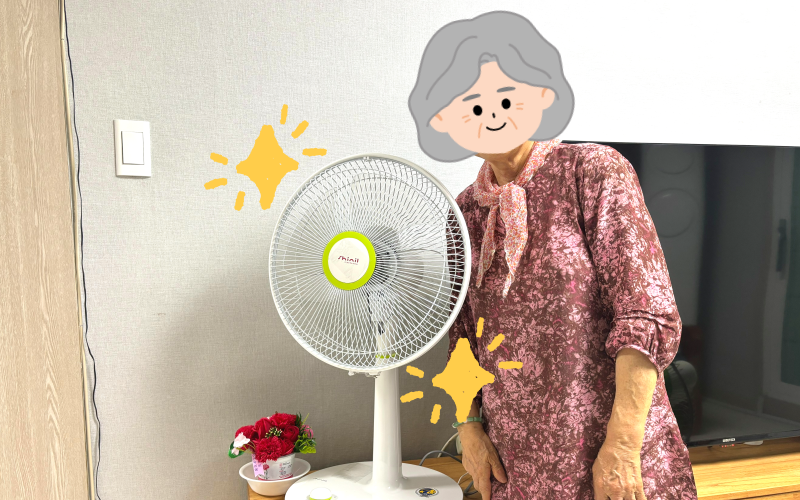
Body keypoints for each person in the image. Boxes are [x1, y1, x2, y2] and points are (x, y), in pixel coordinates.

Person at [408, 11, 699, 500]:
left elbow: (645, 312)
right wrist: (469, 427)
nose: (492, 116)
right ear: (444, 120)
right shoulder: (464, 213)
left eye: (506, 98)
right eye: (470, 106)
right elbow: (462, 336)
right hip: (516, 463)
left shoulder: (593, 172)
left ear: (541, 94)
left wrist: (623, 445)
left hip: (609, 453)